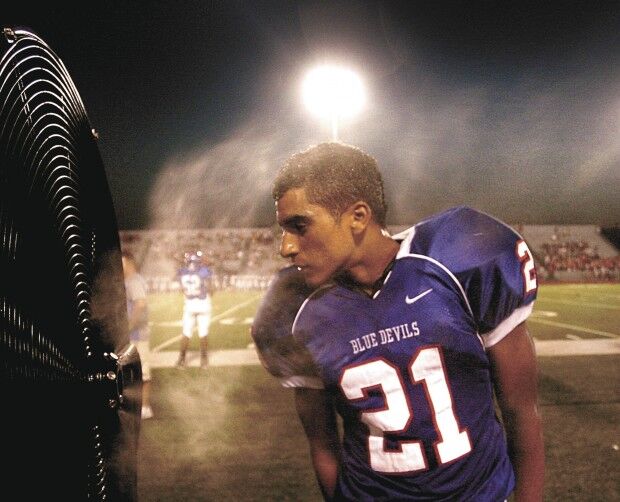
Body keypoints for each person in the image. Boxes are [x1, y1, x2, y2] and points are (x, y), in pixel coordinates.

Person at [252, 142, 544, 501]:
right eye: (284, 229)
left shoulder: (458, 260)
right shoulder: (294, 309)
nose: (287, 247)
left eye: (300, 225)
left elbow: (521, 409)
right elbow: (323, 445)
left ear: (358, 216)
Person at [121, 250, 154, 420]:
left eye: (122, 263)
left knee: (142, 372)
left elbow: (140, 304)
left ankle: (145, 407)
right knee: (132, 373)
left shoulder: (134, 281)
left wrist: (128, 326)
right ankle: (137, 406)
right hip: (135, 334)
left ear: (129, 263)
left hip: (137, 334)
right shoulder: (131, 281)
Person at [176, 250, 213, 368]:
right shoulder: (204, 271)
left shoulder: (182, 272)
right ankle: (204, 360)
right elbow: (211, 288)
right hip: (203, 304)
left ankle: (181, 360)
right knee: (203, 333)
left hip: (189, 305)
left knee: (186, 333)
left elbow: (182, 289)